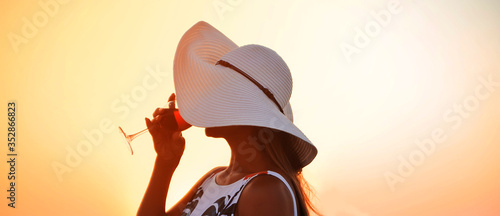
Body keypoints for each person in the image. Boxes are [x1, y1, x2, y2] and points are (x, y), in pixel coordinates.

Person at [137, 21, 319, 216]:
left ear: (246, 108)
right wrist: (165, 162)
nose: (206, 97)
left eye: (219, 91)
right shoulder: (213, 179)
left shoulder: (267, 192)